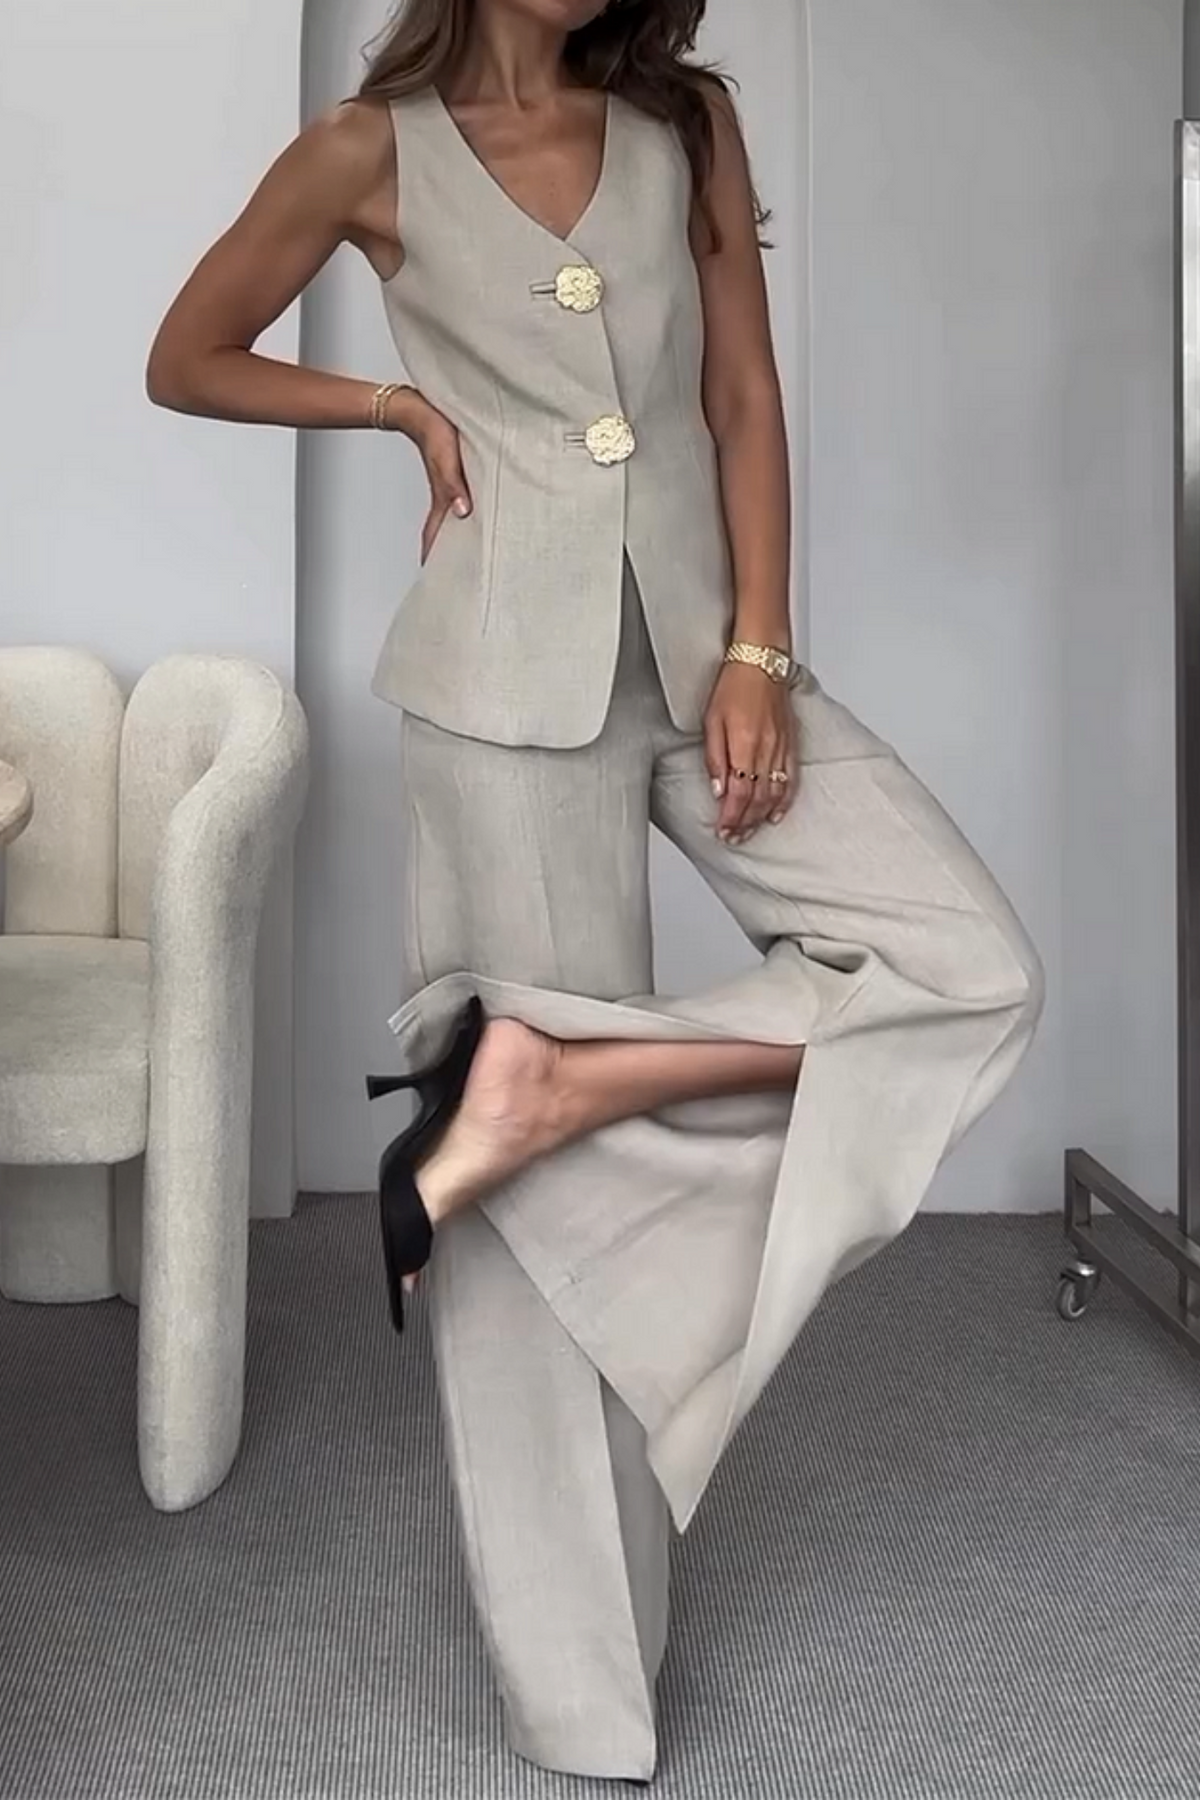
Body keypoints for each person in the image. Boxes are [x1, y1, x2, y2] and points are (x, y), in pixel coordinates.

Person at [145, 0, 1046, 1784]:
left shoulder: (685, 122)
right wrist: (393, 404)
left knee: (967, 964)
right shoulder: (364, 154)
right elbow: (189, 354)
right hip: (496, 692)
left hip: (707, 667)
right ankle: (584, 1694)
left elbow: (742, 395)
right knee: (524, 1223)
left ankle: (556, 1077)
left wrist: (761, 651)